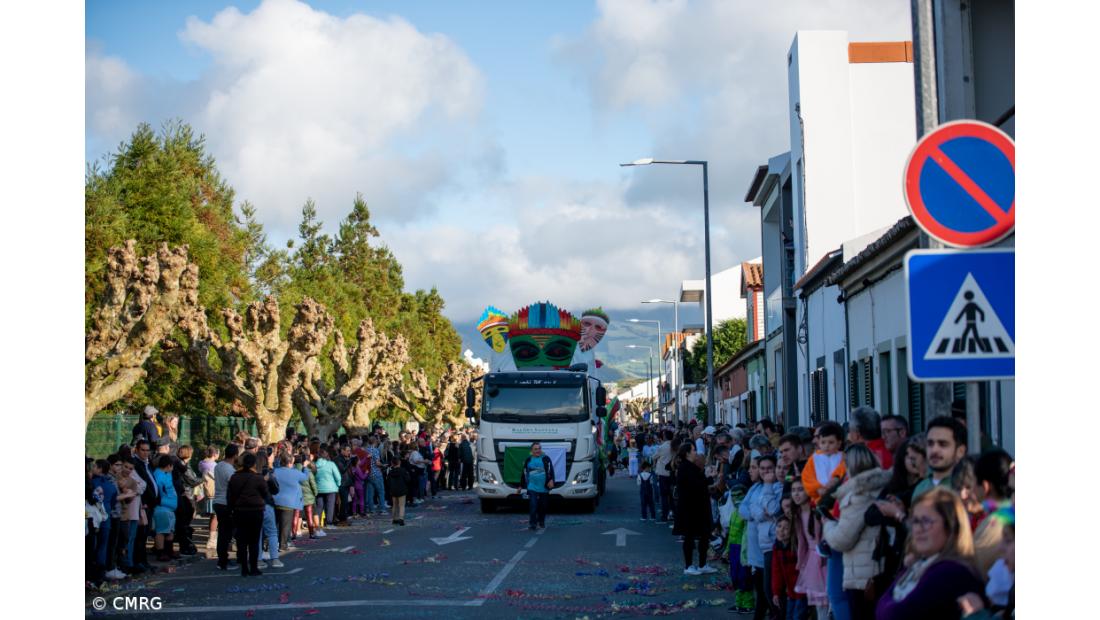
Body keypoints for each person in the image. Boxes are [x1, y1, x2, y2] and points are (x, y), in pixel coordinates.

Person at [875, 488, 985, 619]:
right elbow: (881, 608)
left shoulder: (951, 571)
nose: (918, 529)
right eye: (915, 521)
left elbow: (894, 615)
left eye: (926, 521)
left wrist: (886, 604)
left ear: (951, 525)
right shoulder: (920, 564)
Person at [823, 444, 890, 620]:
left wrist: (827, 525)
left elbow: (842, 539)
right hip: (876, 566)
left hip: (863, 573)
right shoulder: (880, 485)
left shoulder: (859, 495)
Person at [743, 454, 782, 620]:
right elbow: (744, 509)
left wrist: (757, 510)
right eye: (762, 468)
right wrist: (758, 511)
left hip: (770, 544)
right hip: (758, 546)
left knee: (770, 592)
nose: (766, 472)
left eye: (769, 469)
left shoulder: (778, 487)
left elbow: (772, 510)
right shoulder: (755, 487)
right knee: (762, 589)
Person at [673, 443, 717, 576]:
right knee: (689, 536)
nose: (695, 452)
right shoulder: (685, 467)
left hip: (699, 507)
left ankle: (702, 564)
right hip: (690, 508)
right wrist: (710, 479)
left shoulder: (692, 467)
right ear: (687, 453)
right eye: (693, 450)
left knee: (704, 535)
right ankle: (689, 565)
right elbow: (695, 486)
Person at [227, 453, 270, 577]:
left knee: (241, 540)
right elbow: (265, 493)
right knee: (254, 540)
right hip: (255, 511)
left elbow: (230, 496)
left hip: (239, 511)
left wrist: (231, 510)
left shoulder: (234, 477)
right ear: (254, 464)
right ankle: (254, 567)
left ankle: (244, 568)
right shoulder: (258, 478)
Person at [914, 416, 968, 500]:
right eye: (930, 444)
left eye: (943, 444)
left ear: (960, 451)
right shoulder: (920, 488)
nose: (934, 450)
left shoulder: (967, 489)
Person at [271, 452, 309, 565]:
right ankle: (283, 544)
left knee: (276, 524)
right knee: (285, 525)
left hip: (275, 501)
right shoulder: (295, 473)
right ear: (290, 462)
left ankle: (273, 544)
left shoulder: (275, 471)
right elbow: (305, 478)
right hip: (288, 502)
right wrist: (305, 467)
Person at [725, 483, 755, 614]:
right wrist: (727, 549)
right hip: (733, 548)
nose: (736, 499)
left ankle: (748, 604)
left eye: (739, 495)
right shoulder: (734, 513)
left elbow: (747, 535)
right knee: (735, 576)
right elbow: (730, 533)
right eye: (733, 496)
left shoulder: (746, 514)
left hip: (743, 549)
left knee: (745, 577)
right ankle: (738, 602)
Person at [771, 514, 806, 620]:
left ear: (793, 531)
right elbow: (776, 571)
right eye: (779, 526)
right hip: (790, 592)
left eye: (786, 528)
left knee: (797, 616)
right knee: (789, 616)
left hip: (802, 590)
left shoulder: (797, 547)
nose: (781, 530)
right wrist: (776, 592)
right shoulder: (777, 547)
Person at [802, 421, 846, 505]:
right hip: (819, 498)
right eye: (823, 442)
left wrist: (836, 478)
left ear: (839, 443)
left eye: (831, 442)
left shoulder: (843, 457)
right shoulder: (813, 458)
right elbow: (807, 476)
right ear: (819, 442)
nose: (826, 446)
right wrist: (817, 488)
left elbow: (844, 470)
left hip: (839, 499)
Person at [212, 443, 239, 570]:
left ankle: (222, 559)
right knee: (226, 533)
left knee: (223, 532)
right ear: (235, 455)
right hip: (225, 503)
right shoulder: (229, 470)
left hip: (218, 501)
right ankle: (223, 561)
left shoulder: (218, 466)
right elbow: (233, 484)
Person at [520, 442, 555, 531]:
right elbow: (524, 473)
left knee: (543, 506)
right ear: (532, 451)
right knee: (533, 505)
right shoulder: (528, 460)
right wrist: (521, 485)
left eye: (539, 448)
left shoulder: (546, 459)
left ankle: (541, 521)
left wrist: (551, 480)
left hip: (544, 487)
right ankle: (533, 524)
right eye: (535, 449)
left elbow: (551, 471)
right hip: (532, 487)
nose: (538, 450)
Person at [151, 455, 178, 562]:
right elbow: (159, 492)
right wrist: (160, 501)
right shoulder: (158, 475)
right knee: (161, 531)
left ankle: (169, 551)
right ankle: (161, 552)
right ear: (169, 466)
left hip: (170, 507)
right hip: (162, 507)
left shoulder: (167, 474)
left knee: (170, 530)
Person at [313, 446, 341, 535]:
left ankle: (317, 525)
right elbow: (337, 476)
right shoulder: (331, 464)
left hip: (319, 488)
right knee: (330, 506)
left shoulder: (314, 465)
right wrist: (338, 485)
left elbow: (312, 477)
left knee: (319, 507)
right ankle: (329, 523)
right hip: (331, 488)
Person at [655, 430, 675, 522]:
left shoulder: (662, 447)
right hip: (672, 473)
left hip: (663, 473)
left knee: (664, 495)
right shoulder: (675, 446)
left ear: (665, 436)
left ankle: (664, 515)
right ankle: (673, 513)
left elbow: (654, 456)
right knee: (672, 495)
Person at [387, 450, 411, 526]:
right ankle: (401, 518)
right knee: (401, 505)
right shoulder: (403, 471)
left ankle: (394, 518)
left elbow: (388, 481)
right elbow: (408, 479)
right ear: (399, 463)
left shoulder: (390, 472)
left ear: (392, 463)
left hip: (393, 490)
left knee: (394, 505)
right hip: (402, 489)